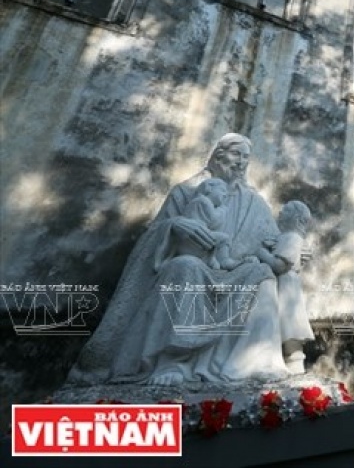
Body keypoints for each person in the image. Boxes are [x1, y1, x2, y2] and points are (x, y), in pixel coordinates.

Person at [67, 134, 294, 386]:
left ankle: (257, 362)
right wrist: (175, 226)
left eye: (245, 157)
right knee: (185, 266)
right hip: (192, 266)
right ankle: (173, 361)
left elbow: (273, 242)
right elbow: (151, 238)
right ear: (218, 156)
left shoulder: (255, 203)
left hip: (232, 268)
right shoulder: (186, 192)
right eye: (235, 154)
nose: (240, 162)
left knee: (262, 274)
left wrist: (295, 249)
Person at [256, 201, 313, 371]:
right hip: (283, 286)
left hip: (286, 289)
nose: (279, 214)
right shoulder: (285, 237)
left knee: (290, 329)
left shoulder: (292, 238)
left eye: (285, 211)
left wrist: (260, 252)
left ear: (295, 219)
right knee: (285, 328)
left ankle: (296, 370)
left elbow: (279, 266)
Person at [175, 177, 248, 271]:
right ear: (209, 188)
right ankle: (225, 261)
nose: (225, 194)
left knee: (215, 265)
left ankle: (212, 260)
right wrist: (222, 210)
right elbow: (213, 221)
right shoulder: (203, 201)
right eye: (222, 190)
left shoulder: (200, 202)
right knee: (224, 238)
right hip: (195, 239)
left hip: (197, 239)